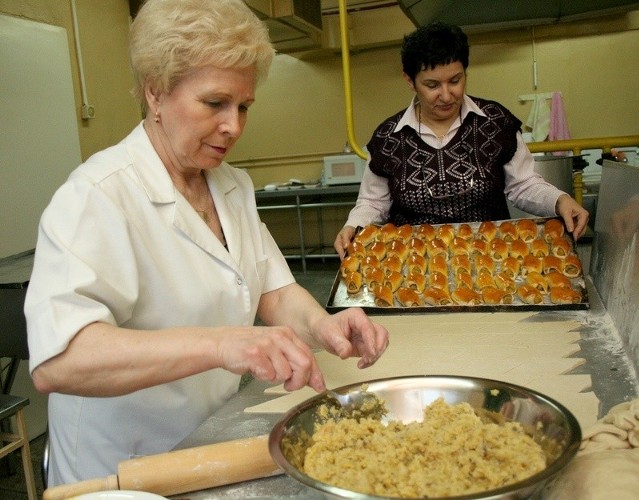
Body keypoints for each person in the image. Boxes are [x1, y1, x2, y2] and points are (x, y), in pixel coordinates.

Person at [24, 0, 388, 486]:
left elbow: (272, 291)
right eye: (214, 103)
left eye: (243, 107)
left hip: (207, 443)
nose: (233, 126)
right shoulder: (98, 196)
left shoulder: (230, 186)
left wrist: (323, 327)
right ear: (156, 93)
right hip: (118, 470)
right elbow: (61, 360)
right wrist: (222, 344)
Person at [334, 22, 589, 259]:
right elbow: (372, 202)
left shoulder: (494, 122)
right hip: (414, 263)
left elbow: (523, 184)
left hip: (491, 258)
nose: (446, 95)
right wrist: (352, 226)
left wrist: (559, 200)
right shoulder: (388, 139)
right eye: (432, 85)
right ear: (409, 81)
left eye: (455, 81)